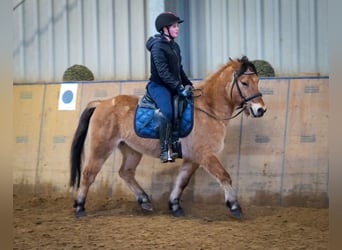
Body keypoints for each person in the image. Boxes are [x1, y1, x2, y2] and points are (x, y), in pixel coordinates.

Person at [145, 12, 193, 163]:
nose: (177, 29)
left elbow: (179, 69)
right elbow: (163, 72)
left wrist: (188, 84)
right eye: (174, 26)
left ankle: (177, 142)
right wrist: (179, 88)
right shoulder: (157, 47)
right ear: (164, 29)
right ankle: (165, 150)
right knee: (167, 111)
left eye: (177, 26)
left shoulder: (175, 46)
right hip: (158, 86)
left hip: (173, 85)